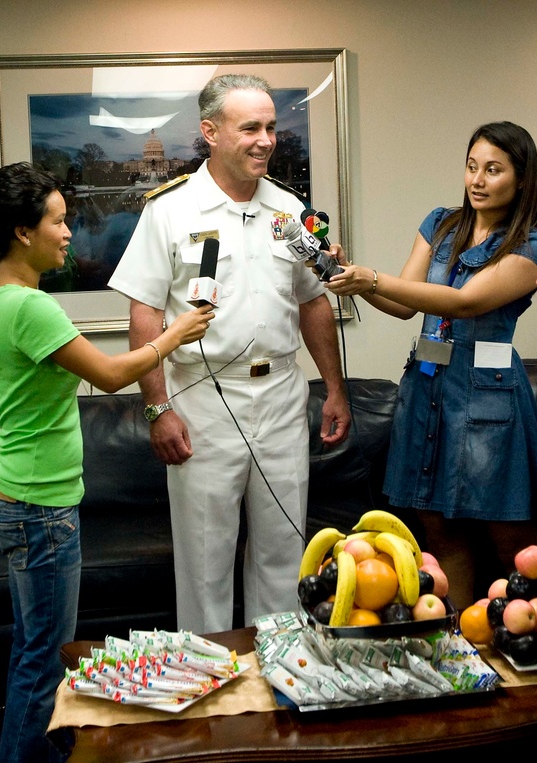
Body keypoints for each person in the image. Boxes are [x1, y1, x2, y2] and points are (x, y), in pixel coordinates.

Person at [0, 162, 213, 763]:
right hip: (39, 507)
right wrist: (172, 335)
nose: (69, 231)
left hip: (14, 492)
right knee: (44, 658)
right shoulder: (32, 309)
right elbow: (108, 376)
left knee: (33, 647)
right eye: (59, 221)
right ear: (24, 232)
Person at [108, 73, 350, 634]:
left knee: (285, 549)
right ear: (211, 132)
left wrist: (335, 387)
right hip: (202, 401)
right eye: (251, 128)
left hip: (282, 396)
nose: (266, 139)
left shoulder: (289, 212)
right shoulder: (170, 210)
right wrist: (157, 407)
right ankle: (211, 693)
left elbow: (314, 301)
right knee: (205, 557)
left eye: (270, 127)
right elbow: (143, 313)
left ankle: (277, 679)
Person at [325, 121, 537, 608]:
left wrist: (372, 278)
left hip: (489, 395)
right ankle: (459, 645)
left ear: (520, 178)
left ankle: (535, 641)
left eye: (493, 170)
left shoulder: (531, 247)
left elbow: (464, 302)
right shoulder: (441, 223)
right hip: (428, 387)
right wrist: (343, 275)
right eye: (472, 166)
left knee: (511, 535)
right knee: (438, 530)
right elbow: (405, 305)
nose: (478, 180)